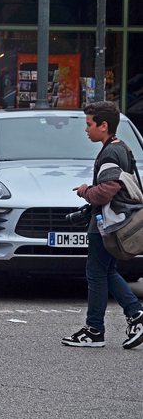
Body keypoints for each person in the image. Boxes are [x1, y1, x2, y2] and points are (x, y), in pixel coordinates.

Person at [62, 101, 143, 349]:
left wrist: (86, 191)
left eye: (89, 124)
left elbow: (106, 191)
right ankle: (136, 314)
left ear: (103, 125)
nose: (86, 130)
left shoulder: (110, 152)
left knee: (96, 274)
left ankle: (94, 330)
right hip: (112, 221)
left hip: (106, 223)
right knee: (107, 272)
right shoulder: (122, 148)